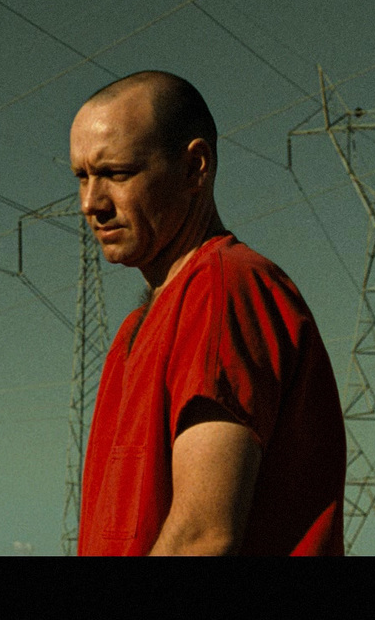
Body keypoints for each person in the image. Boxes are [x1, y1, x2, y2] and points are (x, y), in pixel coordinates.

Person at [70, 70, 345, 555]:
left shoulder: (224, 289)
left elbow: (204, 535)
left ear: (195, 167)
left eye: (117, 173)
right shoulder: (136, 330)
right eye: (82, 177)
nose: (92, 203)